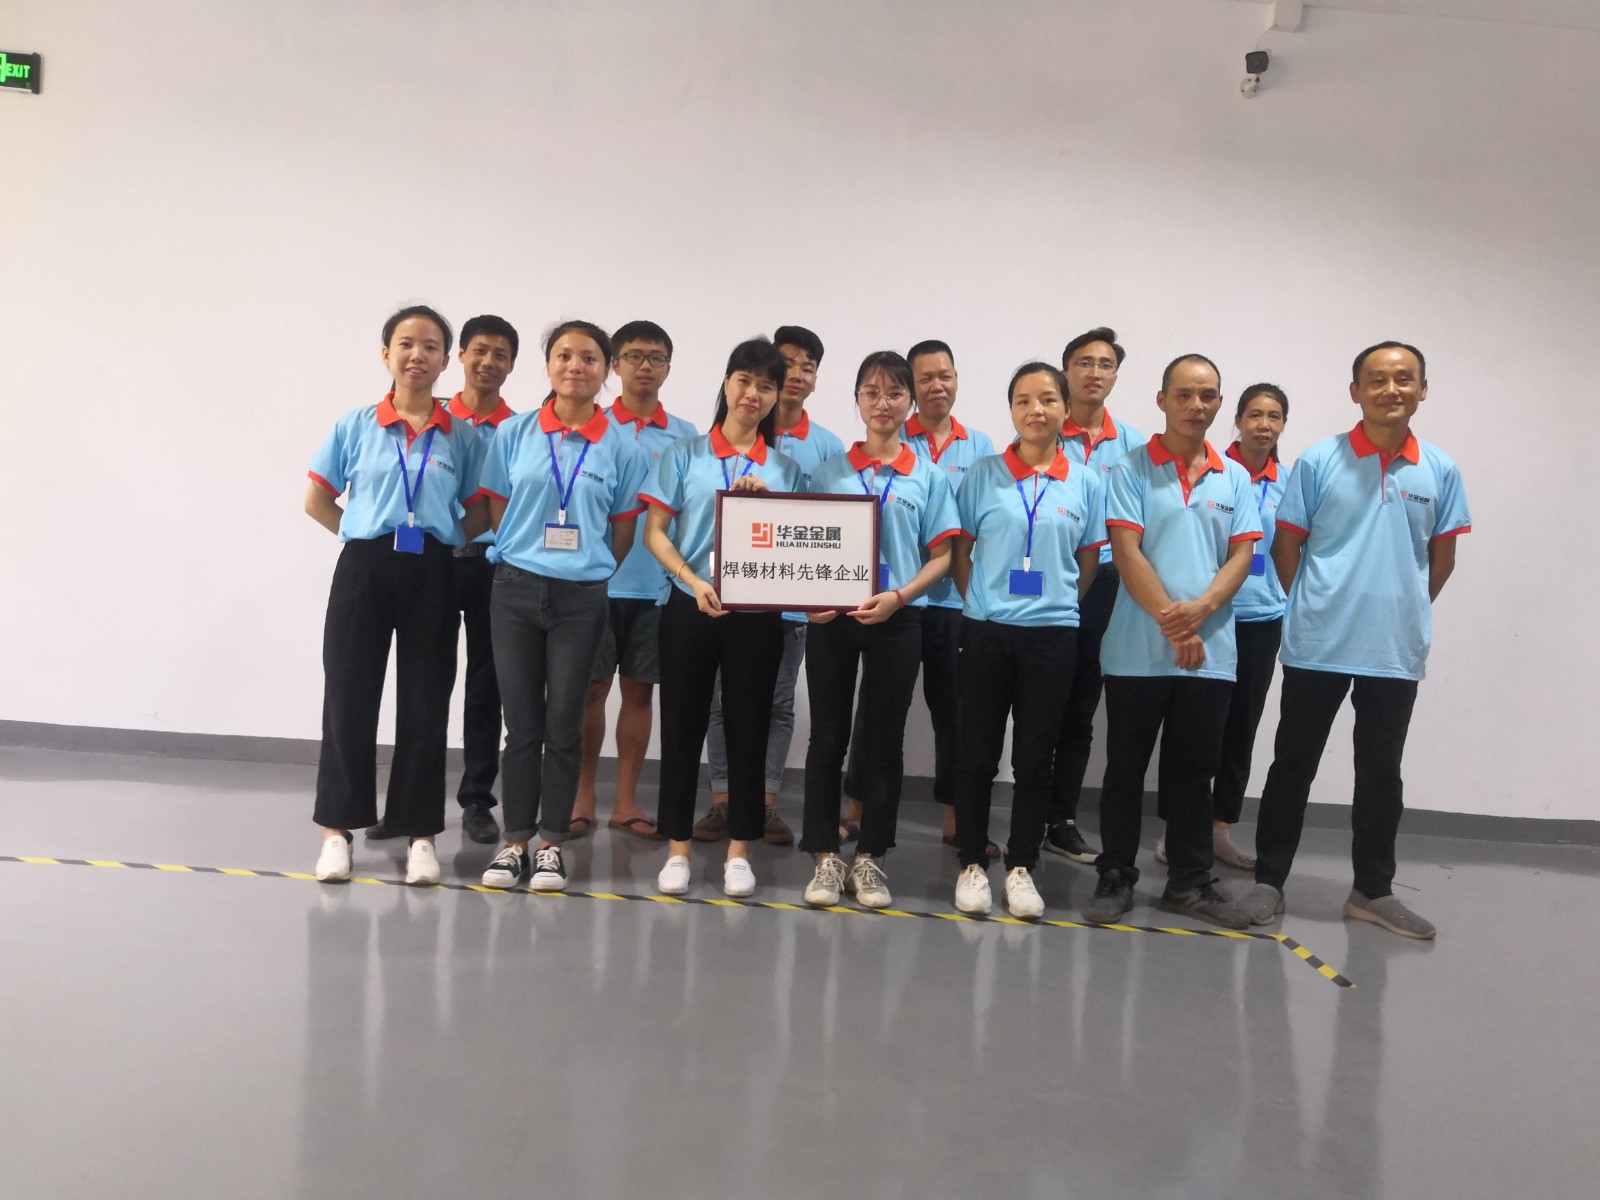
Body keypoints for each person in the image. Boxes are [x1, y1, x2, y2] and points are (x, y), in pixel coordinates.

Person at [1240, 343, 1469, 939]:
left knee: (1381, 771)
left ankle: (1372, 890)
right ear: (1355, 391)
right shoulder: (1320, 460)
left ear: (1423, 389)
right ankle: (1269, 881)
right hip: (1318, 641)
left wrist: (1402, 608)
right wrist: (1312, 603)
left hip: (1394, 648)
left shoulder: (1440, 469)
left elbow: (1441, 560)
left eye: (1404, 379)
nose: (1391, 389)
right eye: (1377, 379)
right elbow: (1286, 545)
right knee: (1293, 763)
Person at [305, 305, 489, 885]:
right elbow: (316, 500)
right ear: (386, 353)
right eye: (406, 343)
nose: (418, 355)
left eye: (431, 346)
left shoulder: (461, 435)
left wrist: (448, 537)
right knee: (348, 697)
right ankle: (338, 831)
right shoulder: (356, 425)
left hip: (433, 571)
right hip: (364, 567)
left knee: (425, 703)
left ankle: (421, 834)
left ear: (446, 360)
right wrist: (364, 534)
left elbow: (482, 509)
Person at [1083, 354, 1261, 930]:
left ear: (1219, 404)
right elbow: (1126, 552)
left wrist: (1201, 612)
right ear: (1162, 400)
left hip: (1211, 655)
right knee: (1125, 771)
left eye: (1207, 396)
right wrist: (1176, 623)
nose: (1195, 405)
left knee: (1193, 773)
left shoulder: (1235, 477)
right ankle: (1116, 875)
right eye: (1183, 394)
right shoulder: (1130, 469)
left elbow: (1241, 556)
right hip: (1137, 653)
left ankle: (1189, 881)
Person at [475, 321, 649, 892]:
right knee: (522, 726)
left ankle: (551, 844)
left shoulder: (621, 445)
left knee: (565, 724)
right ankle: (514, 842)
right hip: (515, 590)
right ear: (548, 365)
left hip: (581, 598)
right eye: (565, 355)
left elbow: (622, 530)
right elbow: (498, 510)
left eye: (590, 358)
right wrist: (527, 554)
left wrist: (586, 572)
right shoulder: (515, 433)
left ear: (606, 370)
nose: (576, 366)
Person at [642, 338, 804, 897]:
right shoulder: (684, 454)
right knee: (682, 725)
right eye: (744, 380)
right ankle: (678, 849)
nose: (752, 393)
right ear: (727, 384)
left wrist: (767, 506)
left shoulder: (786, 469)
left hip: (757, 614)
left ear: (777, 396)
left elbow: (792, 551)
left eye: (766, 385)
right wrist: (692, 581)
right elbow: (655, 533)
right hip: (691, 604)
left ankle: (740, 850)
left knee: (750, 727)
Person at [797, 351, 959, 909]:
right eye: (871, 392)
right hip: (834, 620)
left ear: (910, 402)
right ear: (857, 400)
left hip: (897, 618)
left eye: (894, 393)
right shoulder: (829, 473)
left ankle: (870, 857)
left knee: (885, 740)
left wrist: (900, 598)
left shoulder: (928, 476)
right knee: (827, 737)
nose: (882, 403)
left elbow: (942, 556)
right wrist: (810, 602)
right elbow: (804, 546)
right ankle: (824, 854)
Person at [949, 363, 1107, 918]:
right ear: (1012, 409)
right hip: (986, 632)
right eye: (1023, 400)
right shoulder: (983, 475)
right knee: (976, 754)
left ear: (1065, 407)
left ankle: (1020, 866)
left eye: (1047, 399)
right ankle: (972, 862)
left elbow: (1088, 560)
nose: (1035, 410)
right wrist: (982, 603)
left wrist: (1056, 605)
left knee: (1036, 759)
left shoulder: (1086, 482)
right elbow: (961, 553)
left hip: (1052, 637)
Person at [840, 340, 996, 852]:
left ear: (956, 380)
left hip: (953, 601)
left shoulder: (980, 446)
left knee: (955, 709)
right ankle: (857, 807)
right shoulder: (887, 435)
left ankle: (956, 814)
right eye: (924, 378)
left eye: (944, 375)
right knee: (874, 708)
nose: (936, 386)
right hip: (888, 599)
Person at [695, 325, 845, 846]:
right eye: (789, 363)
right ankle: (722, 801)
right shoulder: (723, 435)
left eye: (808, 366)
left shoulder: (826, 446)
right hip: (731, 600)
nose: (797, 373)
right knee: (722, 702)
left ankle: (764, 802)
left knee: (778, 704)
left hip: (791, 604)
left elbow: (824, 527)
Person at [573, 320, 697, 840]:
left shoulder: (688, 437)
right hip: (595, 582)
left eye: (656, 357)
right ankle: (582, 794)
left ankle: (625, 801)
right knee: (591, 691)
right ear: (615, 365)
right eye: (634, 356)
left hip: (658, 587)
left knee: (639, 693)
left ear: (668, 367)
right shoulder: (593, 426)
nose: (645, 366)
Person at [1046, 327, 1146, 864]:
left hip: (1107, 582)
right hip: (1047, 578)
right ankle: (1029, 809)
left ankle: (1061, 818)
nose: (1094, 372)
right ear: (1066, 371)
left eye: (1105, 364)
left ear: (1115, 376)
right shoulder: (1040, 427)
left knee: (1082, 703)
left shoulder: (1133, 444)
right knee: (1039, 700)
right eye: (1083, 362)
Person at [444, 315, 519, 845]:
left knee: (486, 687)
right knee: (426, 681)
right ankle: (412, 800)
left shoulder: (522, 430)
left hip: (495, 568)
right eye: (480, 351)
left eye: (500, 354)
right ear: (461, 356)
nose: (488, 362)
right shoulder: (435, 419)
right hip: (436, 564)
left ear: (512, 365)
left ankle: (477, 801)